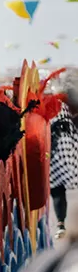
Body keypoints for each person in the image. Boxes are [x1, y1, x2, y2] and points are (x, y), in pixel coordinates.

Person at [51, 98, 78, 239]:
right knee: (58, 189)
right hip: (58, 153)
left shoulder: (66, 108)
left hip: (61, 153)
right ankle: (61, 223)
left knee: (58, 189)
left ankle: (61, 223)